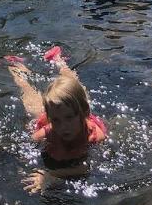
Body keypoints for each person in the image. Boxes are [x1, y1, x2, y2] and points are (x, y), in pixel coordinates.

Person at [6, 46, 107, 194]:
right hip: (55, 112)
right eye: (57, 121)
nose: (63, 126)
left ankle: (58, 60)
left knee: (76, 87)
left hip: (78, 110)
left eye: (68, 119)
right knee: (31, 99)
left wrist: (51, 175)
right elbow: (26, 146)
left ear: (83, 114)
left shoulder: (94, 135)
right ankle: (16, 66)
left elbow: (88, 167)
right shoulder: (48, 130)